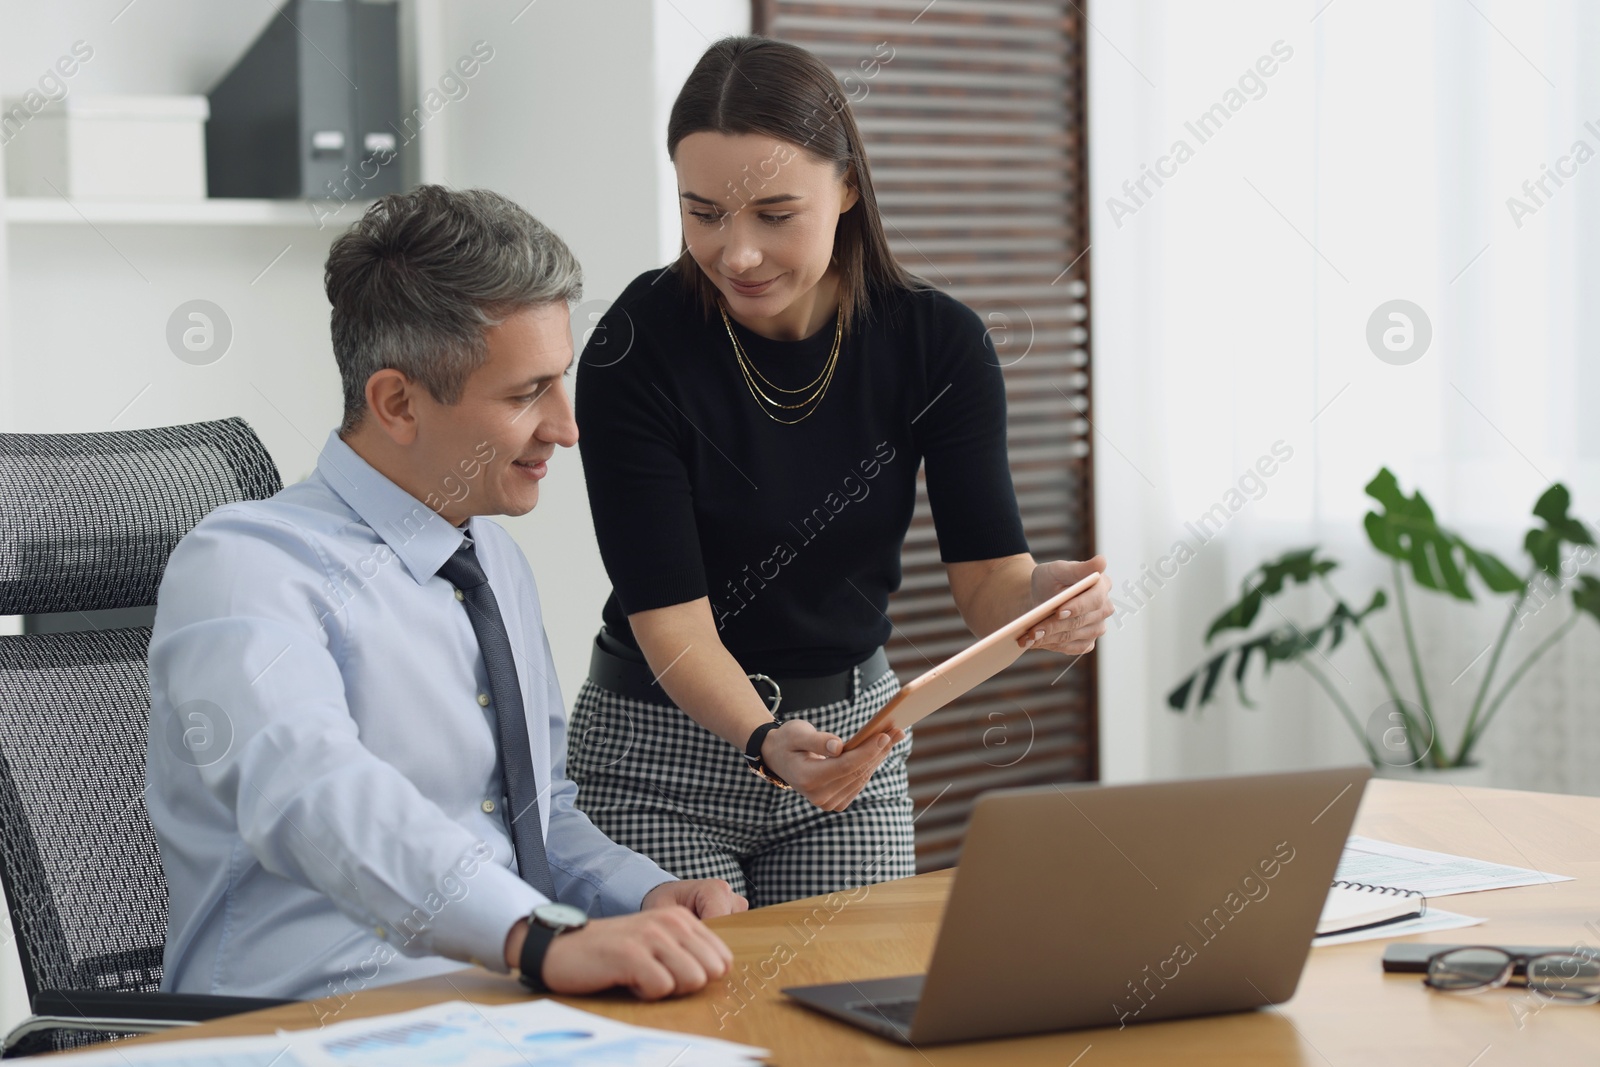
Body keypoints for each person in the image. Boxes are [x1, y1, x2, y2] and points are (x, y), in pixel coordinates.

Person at [146, 186, 744, 1004]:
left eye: (560, 382)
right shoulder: (246, 566)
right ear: (397, 402)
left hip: (500, 1000)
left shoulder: (491, 558)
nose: (567, 427)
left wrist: (639, 893)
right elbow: (313, 792)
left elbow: (534, 816)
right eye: (526, 393)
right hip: (305, 1017)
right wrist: (539, 937)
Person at [569, 36, 1113, 908]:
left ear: (848, 188)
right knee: (691, 1032)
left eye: (774, 214)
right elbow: (673, 628)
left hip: (849, 755)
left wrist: (1045, 600)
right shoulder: (636, 347)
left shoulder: (938, 344)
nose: (735, 253)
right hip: (656, 759)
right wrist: (763, 738)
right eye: (703, 213)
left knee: (848, 1019)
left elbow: (989, 587)